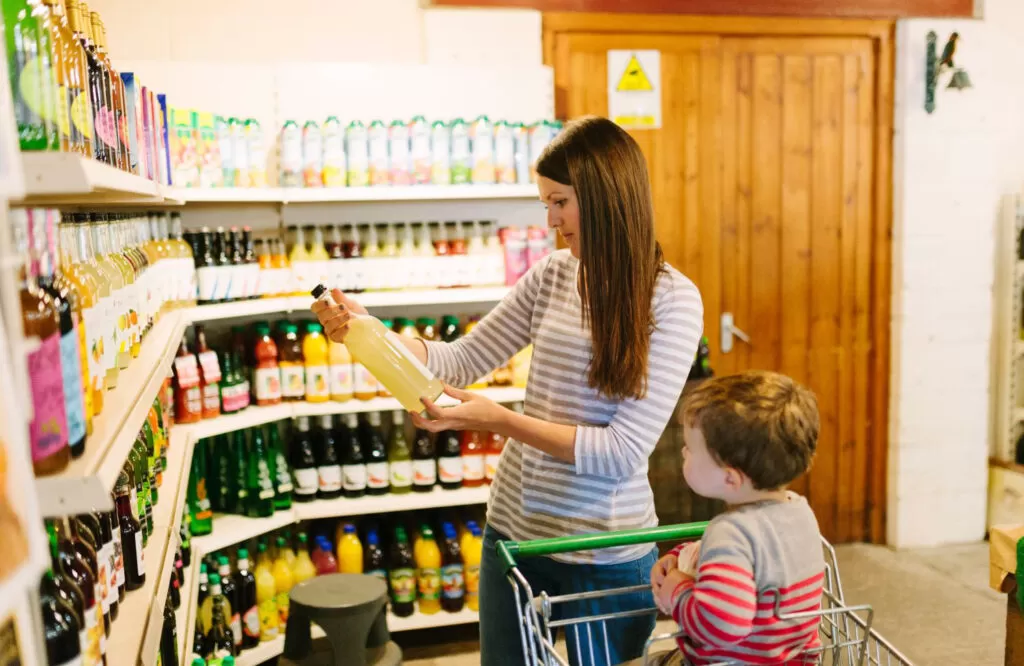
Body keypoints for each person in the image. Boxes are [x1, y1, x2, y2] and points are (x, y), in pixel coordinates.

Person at [311, 116, 704, 665]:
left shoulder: (673, 301)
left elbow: (620, 452)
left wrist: (499, 420)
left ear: (606, 195)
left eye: (559, 202)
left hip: (602, 549)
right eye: (545, 203)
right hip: (515, 536)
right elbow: (463, 358)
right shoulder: (551, 276)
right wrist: (371, 331)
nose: (551, 221)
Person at [644, 371, 824, 666]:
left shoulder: (729, 532)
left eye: (690, 449)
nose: (683, 452)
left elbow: (722, 624)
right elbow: (759, 563)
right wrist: (685, 557)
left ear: (730, 478)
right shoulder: (799, 511)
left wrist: (677, 589)